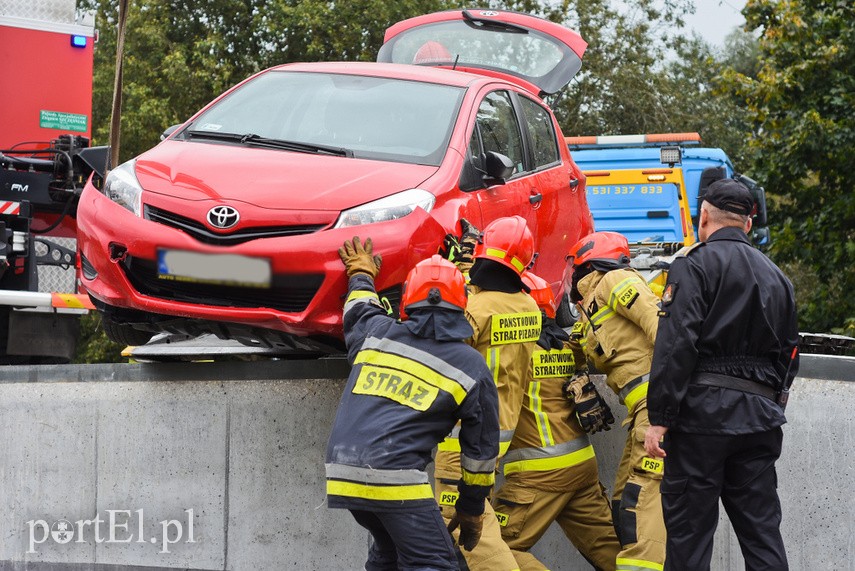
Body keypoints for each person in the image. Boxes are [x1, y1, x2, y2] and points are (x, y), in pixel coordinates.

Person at [643, 178, 799, 571]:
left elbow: (677, 343)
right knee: (763, 535)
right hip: (759, 421)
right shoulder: (778, 277)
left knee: (690, 539)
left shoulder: (692, 265)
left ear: (705, 217)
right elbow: (790, 355)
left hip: (701, 423)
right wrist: (769, 402)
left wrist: (660, 419)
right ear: (748, 224)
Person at [325, 238, 500, 571]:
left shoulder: (377, 334)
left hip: (341, 470)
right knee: (436, 562)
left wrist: (361, 273)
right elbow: (480, 452)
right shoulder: (471, 366)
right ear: (462, 305)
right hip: (395, 476)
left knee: (390, 553)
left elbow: (359, 310)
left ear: (406, 301)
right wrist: (471, 508)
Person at [493, 271, 621, 571]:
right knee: (613, 556)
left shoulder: (514, 351)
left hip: (537, 476)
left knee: (486, 550)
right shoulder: (565, 347)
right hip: (583, 470)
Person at [435, 215, 541, 570]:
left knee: (470, 538)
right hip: (497, 437)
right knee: (483, 528)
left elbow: (441, 353)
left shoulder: (475, 310)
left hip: (460, 439)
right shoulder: (529, 307)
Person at [565, 231, 665, 571]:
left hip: (658, 406)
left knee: (640, 502)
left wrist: (670, 395)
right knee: (623, 503)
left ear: (586, 263)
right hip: (641, 412)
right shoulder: (590, 308)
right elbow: (580, 350)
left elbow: (659, 325)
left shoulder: (615, 280)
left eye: (573, 267)